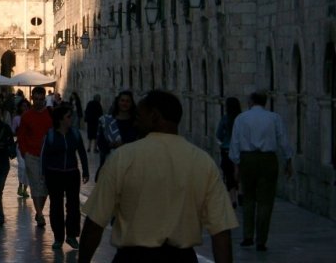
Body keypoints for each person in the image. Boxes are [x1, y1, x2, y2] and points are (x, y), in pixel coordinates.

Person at [79, 90, 238, 263]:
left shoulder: (123, 158)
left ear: (154, 116)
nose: (135, 119)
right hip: (182, 259)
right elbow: (221, 231)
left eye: (139, 115)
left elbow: (94, 224)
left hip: (133, 258)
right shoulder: (203, 162)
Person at [229, 91, 293, 252]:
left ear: (251, 101)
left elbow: (235, 142)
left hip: (247, 159)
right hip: (268, 159)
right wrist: (288, 160)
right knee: (265, 201)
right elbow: (283, 140)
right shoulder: (274, 118)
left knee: (248, 198)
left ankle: (248, 236)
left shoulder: (241, 118)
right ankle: (261, 240)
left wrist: (236, 166)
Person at [41, 105, 89, 250]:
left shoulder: (74, 133)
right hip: (54, 174)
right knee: (56, 206)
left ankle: (72, 235)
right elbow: (44, 156)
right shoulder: (50, 135)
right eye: (69, 116)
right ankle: (58, 237)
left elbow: (81, 152)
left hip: (72, 173)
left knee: (73, 206)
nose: (71, 119)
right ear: (61, 119)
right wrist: (43, 174)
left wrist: (86, 171)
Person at [16, 85, 52, 227]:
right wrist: (25, 152)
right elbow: (21, 136)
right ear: (32, 98)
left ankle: (38, 212)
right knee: (36, 185)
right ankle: (40, 215)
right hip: (31, 155)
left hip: (47, 156)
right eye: (35, 99)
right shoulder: (26, 116)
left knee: (45, 188)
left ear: (44, 99)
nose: (38, 102)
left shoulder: (50, 114)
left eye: (41, 99)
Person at [97, 90, 138, 178]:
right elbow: (100, 143)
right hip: (110, 165)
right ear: (118, 102)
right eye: (122, 100)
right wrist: (111, 145)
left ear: (131, 104)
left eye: (128, 101)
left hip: (130, 166)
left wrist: (124, 145)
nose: (124, 103)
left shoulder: (136, 123)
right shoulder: (108, 121)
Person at [215, 96, 242, 208]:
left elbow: (219, 134)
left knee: (229, 173)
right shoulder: (242, 119)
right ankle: (241, 191)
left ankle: (233, 199)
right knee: (240, 171)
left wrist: (224, 141)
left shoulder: (225, 119)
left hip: (227, 149)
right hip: (241, 150)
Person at [11, 98, 30, 198]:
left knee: (28, 167)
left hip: (30, 146)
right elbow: (12, 131)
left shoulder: (32, 117)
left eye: (26, 106)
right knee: (22, 166)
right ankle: (20, 185)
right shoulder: (17, 119)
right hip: (20, 145)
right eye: (23, 106)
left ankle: (25, 189)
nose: (25, 108)